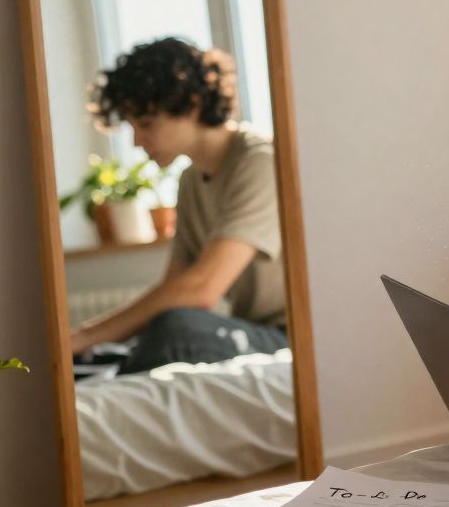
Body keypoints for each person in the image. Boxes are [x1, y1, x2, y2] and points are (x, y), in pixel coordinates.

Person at [69, 37, 287, 374]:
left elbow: (201, 289)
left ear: (192, 105)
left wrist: (85, 335)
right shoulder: (190, 181)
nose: (137, 141)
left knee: (178, 329)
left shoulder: (260, 162)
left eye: (145, 124)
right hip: (256, 330)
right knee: (164, 327)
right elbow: (175, 286)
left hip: (292, 337)